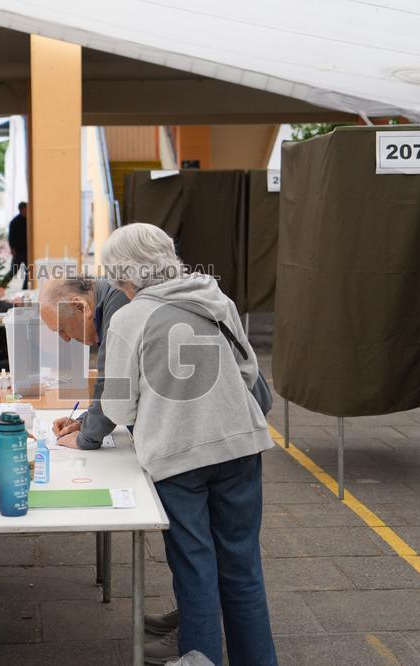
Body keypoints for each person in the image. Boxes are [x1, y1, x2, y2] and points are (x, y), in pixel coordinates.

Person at [99, 223, 277, 666]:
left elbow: (118, 405)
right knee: (243, 569)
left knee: (195, 569)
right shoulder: (216, 298)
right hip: (239, 445)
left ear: (126, 274)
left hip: (177, 456)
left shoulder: (128, 318)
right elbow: (250, 373)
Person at [38, 275, 129, 449]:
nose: (65, 339)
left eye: (62, 329)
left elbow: (113, 383)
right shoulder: (109, 298)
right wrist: (85, 422)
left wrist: (87, 436)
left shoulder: (119, 298)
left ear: (79, 306)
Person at [7, 202, 28, 289]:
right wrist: (12, 248)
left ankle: (25, 288)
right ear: (21, 209)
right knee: (13, 270)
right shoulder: (14, 222)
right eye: (25, 208)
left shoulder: (30, 221)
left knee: (29, 272)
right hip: (19, 251)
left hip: (28, 251)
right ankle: (1, 285)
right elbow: (11, 237)